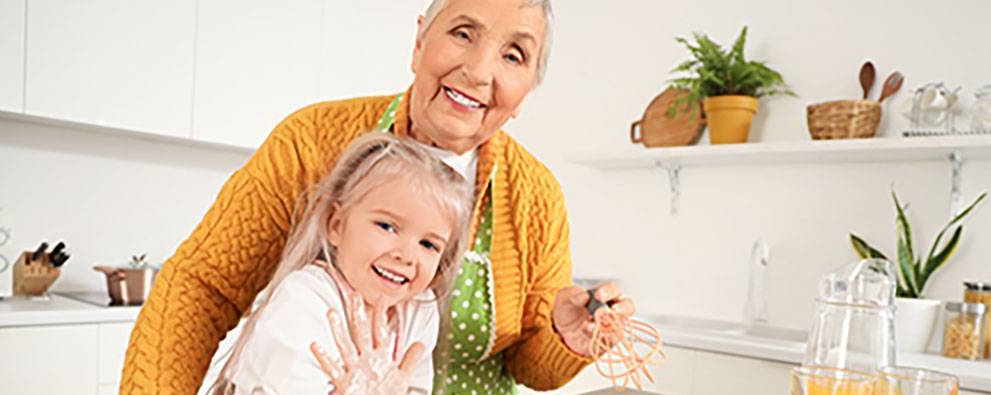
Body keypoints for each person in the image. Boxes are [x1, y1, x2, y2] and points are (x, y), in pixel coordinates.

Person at [120, 0, 635, 393]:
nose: (479, 71)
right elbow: (202, 288)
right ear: (419, 43)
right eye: (462, 33)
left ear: (525, 93)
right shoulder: (310, 141)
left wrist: (568, 338)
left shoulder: (536, 197)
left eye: (514, 55)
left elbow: (530, 366)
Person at [210, 132, 473, 394]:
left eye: (428, 244)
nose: (405, 255)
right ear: (336, 225)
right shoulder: (303, 302)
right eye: (387, 226)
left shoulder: (418, 310)